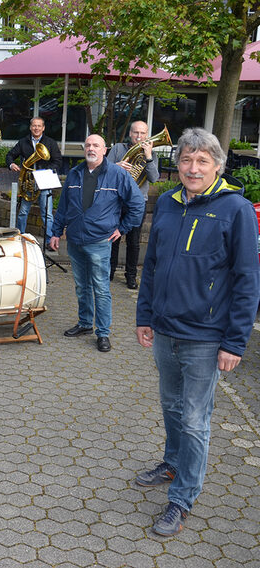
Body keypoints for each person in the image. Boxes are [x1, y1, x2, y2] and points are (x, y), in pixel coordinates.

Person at [135, 127, 260, 537]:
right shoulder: (169, 203)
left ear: (218, 166)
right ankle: (173, 464)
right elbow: (150, 265)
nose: (192, 167)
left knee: (194, 420)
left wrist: (234, 341)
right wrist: (144, 316)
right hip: (166, 330)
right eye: (186, 159)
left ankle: (182, 498)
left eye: (201, 161)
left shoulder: (235, 209)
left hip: (206, 336)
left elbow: (247, 279)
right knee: (171, 407)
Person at [49, 134, 144, 352]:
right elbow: (63, 206)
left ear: (105, 150)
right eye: (88, 145)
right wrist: (55, 232)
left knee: (101, 288)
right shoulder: (74, 173)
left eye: (96, 145)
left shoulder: (118, 174)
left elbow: (137, 204)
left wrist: (122, 228)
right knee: (82, 286)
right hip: (74, 240)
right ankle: (84, 324)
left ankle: (103, 332)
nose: (91, 148)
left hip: (100, 241)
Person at [107, 120, 159, 289]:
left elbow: (154, 178)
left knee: (134, 241)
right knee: (113, 238)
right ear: (130, 133)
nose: (139, 136)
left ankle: (131, 276)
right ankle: (110, 272)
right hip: (116, 201)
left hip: (137, 203)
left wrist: (149, 156)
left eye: (142, 133)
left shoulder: (151, 154)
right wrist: (116, 166)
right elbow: (103, 170)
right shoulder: (118, 149)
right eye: (136, 133)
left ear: (147, 135)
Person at [6, 117, 62, 242]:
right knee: (23, 212)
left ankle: (48, 241)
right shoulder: (23, 142)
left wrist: (44, 172)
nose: (36, 128)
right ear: (30, 127)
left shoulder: (50, 142)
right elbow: (10, 155)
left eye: (39, 126)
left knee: (47, 214)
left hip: (44, 180)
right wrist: (11, 164)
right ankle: (21, 237)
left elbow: (58, 161)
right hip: (28, 181)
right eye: (34, 126)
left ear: (43, 128)